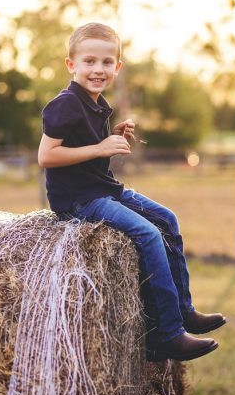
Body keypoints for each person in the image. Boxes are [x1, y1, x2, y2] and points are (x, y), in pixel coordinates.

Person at [38, 22, 225, 362]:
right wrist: (99, 149)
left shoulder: (95, 103)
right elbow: (46, 156)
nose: (98, 69)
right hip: (79, 200)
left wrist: (113, 135)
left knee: (167, 219)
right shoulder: (65, 104)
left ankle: (184, 310)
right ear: (71, 65)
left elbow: (89, 144)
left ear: (117, 67)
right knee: (149, 234)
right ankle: (167, 334)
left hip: (103, 189)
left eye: (107, 62)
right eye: (89, 61)